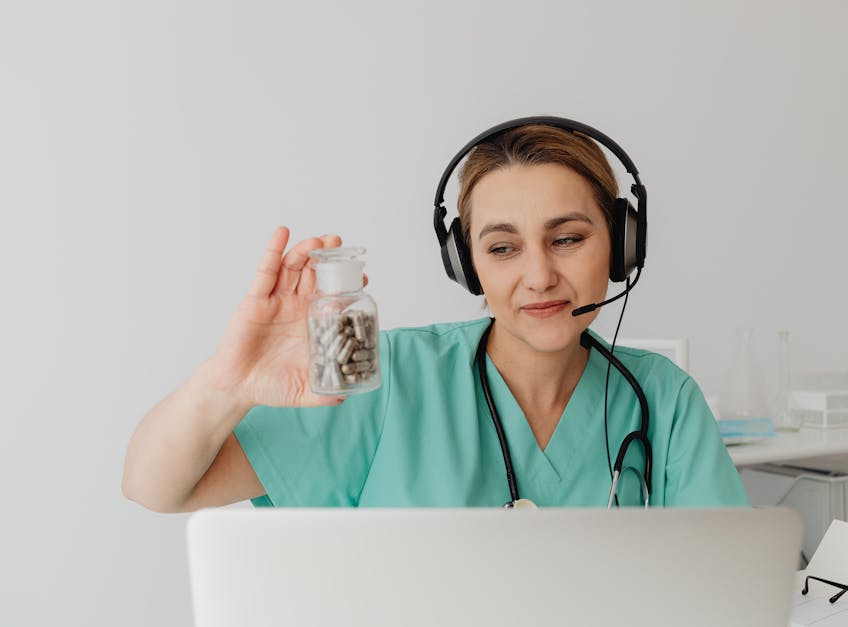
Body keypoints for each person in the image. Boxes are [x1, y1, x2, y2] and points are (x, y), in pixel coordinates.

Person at [122, 118, 749, 512]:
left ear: (620, 243)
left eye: (567, 238)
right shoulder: (385, 378)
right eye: (502, 248)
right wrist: (226, 383)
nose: (538, 276)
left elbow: (727, 586)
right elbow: (157, 489)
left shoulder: (662, 400)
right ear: (468, 264)